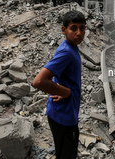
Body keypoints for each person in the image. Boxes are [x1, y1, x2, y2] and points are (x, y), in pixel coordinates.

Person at [33, 10, 86, 159]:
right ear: (64, 30)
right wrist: (66, 92)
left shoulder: (72, 48)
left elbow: (57, 74)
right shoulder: (66, 52)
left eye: (82, 28)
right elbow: (39, 81)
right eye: (74, 28)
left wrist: (60, 88)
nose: (79, 33)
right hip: (64, 117)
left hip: (62, 112)